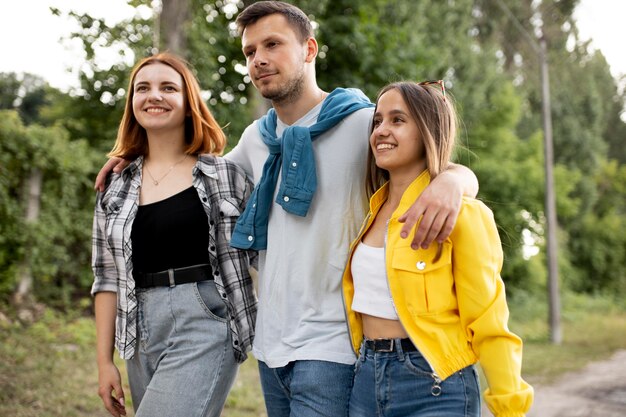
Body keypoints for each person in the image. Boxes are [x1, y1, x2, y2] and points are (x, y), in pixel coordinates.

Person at [95, 2, 479, 416]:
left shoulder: (362, 123)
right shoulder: (256, 141)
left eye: (273, 44)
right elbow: (190, 176)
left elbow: (433, 161)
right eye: (249, 52)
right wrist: (133, 157)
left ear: (310, 49)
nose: (259, 59)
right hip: (272, 346)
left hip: (333, 344)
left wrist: (455, 181)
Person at [342, 80, 534, 417]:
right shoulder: (367, 212)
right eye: (378, 121)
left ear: (427, 131)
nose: (381, 131)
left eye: (397, 120)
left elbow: (488, 319)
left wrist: (510, 405)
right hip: (365, 379)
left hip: (434, 384)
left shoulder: (465, 215)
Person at [91, 52, 257, 417]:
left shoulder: (225, 175)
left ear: (187, 104)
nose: (154, 96)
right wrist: (104, 362)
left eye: (169, 88)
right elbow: (105, 278)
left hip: (205, 320)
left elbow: (267, 250)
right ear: (132, 102)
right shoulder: (115, 186)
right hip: (139, 331)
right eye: (143, 88)